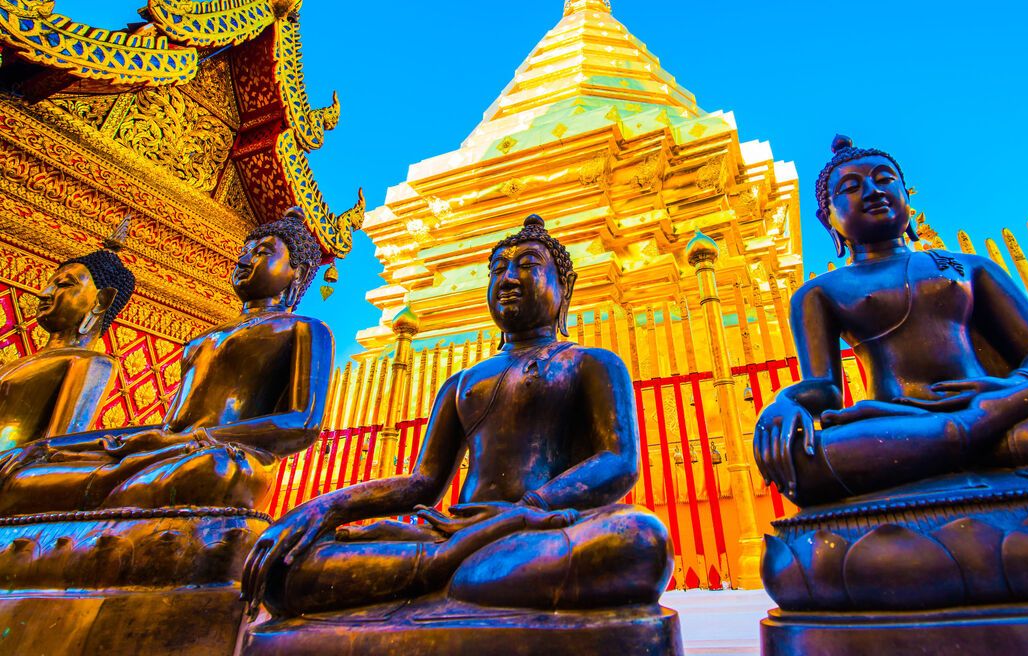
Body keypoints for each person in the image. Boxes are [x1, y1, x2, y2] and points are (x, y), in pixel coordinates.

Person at [241, 214, 671, 617]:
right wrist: (324, 509)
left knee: (640, 540)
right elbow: (422, 484)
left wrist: (523, 510)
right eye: (498, 268)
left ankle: (447, 571)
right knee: (284, 573)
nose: (509, 277)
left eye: (527, 264)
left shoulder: (590, 363)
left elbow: (619, 461)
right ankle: (455, 568)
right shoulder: (463, 382)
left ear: (566, 287)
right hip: (455, 532)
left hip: (539, 529)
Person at [754, 135, 1028, 506]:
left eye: (884, 179)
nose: (872, 190)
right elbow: (825, 389)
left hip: (1005, 412)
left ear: (908, 194)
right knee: (806, 462)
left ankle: (973, 434)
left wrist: (1008, 389)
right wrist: (784, 403)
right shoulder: (819, 292)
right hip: (902, 422)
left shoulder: (969, 267)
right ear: (827, 217)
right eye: (850, 187)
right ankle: (975, 435)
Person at [0, 207, 332, 514]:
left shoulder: (303, 329)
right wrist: (52, 446)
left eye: (261, 253)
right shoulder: (203, 340)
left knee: (204, 468)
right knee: (25, 470)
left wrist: (192, 440)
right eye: (245, 250)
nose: (244, 260)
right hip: (166, 450)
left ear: (297, 275)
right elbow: (170, 425)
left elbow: (302, 424)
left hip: (216, 457)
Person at [0, 218, 135, 452]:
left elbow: (55, 449)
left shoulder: (90, 363)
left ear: (101, 302)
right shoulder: (20, 363)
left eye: (63, 285)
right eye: (50, 284)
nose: (44, 293)